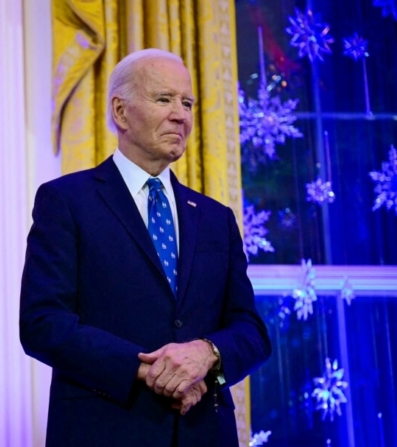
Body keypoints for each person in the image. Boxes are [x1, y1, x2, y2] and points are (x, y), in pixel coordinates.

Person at [19, 49, 271, 447]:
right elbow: (42, 323)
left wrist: (206, 355)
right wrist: (150, 369)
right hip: (105, 430)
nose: (181, 115)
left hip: (201, 432)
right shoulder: (66, 201)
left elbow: (252, 331)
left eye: (187, 103)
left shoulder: (215, 218)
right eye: (163, 99)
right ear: (120, 112)